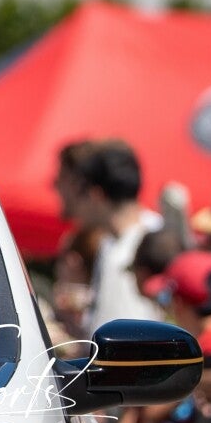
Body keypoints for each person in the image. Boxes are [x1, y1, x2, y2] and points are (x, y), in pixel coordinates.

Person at [52, 139, 164, 331]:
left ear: (95, 194)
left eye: (76, 189)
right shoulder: (110, 243)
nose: (58, 190)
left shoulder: (155, 241)